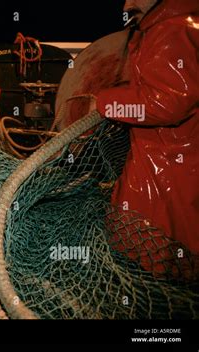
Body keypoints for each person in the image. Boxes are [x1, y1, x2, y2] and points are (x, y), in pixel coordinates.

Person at [91, 0, 199, 275]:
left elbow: (167, 104)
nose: (128, 3)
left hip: (166, 163)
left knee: (148, 245)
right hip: (169, 154)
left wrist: (106, 102)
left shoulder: (170, 31)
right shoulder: (172, 26)